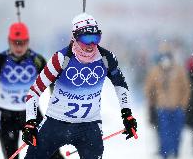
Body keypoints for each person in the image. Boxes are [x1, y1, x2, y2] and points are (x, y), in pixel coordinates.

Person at [22, 13, 138, 159]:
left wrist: (127, 115)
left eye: (95, 38)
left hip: (89, 125)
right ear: (75, 37)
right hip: (56, 123)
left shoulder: (106, 58)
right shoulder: (61, 58)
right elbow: (34, 91)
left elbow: (120, 85)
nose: (91, 44)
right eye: (86, 39)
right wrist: (30, 123)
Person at [0, 22, 64, 159]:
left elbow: (54, 82)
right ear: (9, 41)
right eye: (15, 42)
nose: (19, 46)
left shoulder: (37, 60)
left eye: (22, 42)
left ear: (28, 41)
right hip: (6, 117)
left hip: (31, 115)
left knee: (53, 155)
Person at [144, 44, 190, 159]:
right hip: (162, 108)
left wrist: (183, 104)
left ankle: (175, 153)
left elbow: (186, 88)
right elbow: (148, 88)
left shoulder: (179, 70)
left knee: (177, 133)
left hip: (177, 107)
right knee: (164, 134)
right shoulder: (155, 71)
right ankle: (165, 154)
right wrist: (153, 101)